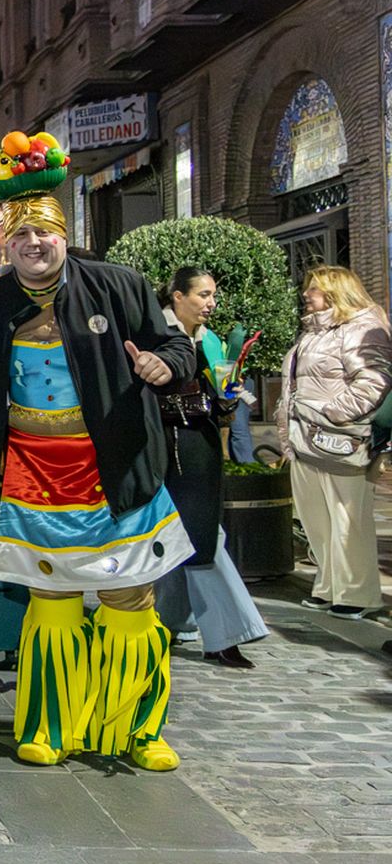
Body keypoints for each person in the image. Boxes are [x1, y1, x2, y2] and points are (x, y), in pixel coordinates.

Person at [0, 141, 195, 770]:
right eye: (21, 232)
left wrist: (166, 365)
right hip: (32, 475)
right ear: (5, 243)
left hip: (116, 471)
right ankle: (52, 725)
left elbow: (176, 345)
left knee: (129, 603)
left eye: (45, 231)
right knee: (50, 607)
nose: (33, 242)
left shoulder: (119, 286)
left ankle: (137, 728)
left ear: (65, 235)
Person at [153, 267, 268, 666]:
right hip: (164, 444)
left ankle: (189, 625)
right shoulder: (153, 333)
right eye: (202, 295)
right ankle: (219, 629)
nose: (210, 303)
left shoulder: (211, 340)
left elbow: (219, 398)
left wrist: (227, 398)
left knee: (197, 533)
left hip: (197, 442)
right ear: (177, 296)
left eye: (213, 296)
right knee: (190, 535)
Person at [278, 265, 392, 621]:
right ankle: (329, 586)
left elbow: (373, 382)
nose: (305, 294)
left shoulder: (361, 328)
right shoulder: (315, 330)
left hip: (339, 440)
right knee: (317, 520)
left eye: (312, 288)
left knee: (347, 519)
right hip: (305, 440)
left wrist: (331, 413)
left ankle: (358, 594)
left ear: (333, 291)